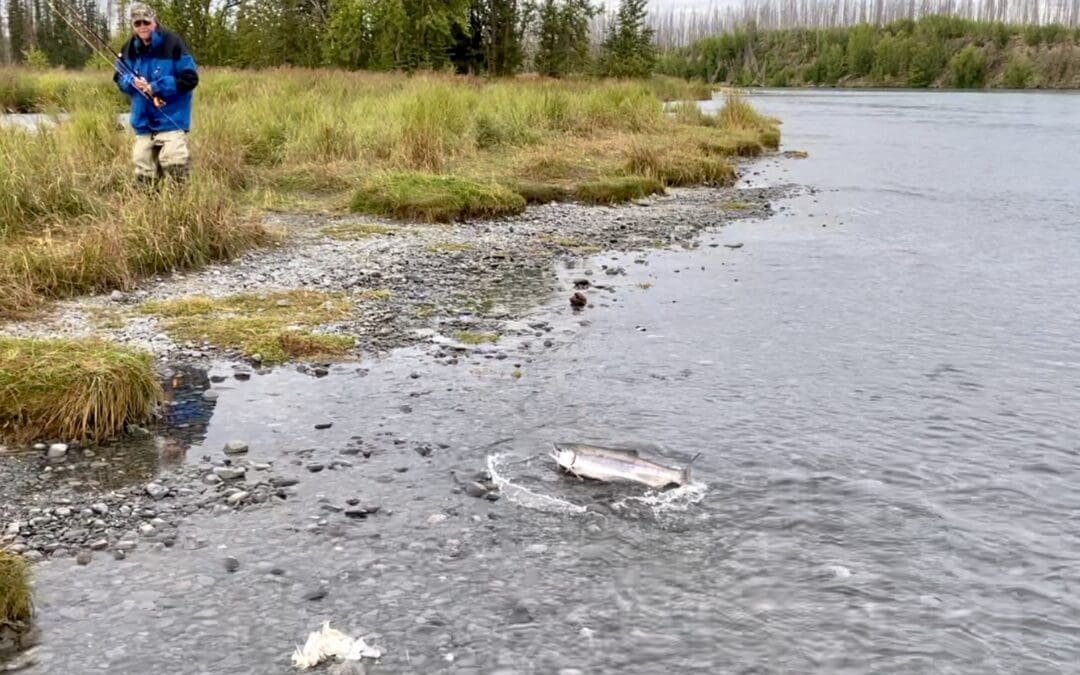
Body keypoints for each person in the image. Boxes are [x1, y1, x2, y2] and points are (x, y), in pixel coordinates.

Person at [113, 3, 199, 185]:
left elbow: (190, 79)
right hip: (143, 121)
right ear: (133, 26)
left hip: (172, 117)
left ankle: (181, 206)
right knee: (143, 168)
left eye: (146, 21)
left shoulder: (174, 43)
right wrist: (132, 83)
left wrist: (155, 87)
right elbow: (119, 78)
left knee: (175, 162)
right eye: (137, 24)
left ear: (154, 21)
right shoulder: (128, 47)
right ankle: (150, 207)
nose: (142, 26)